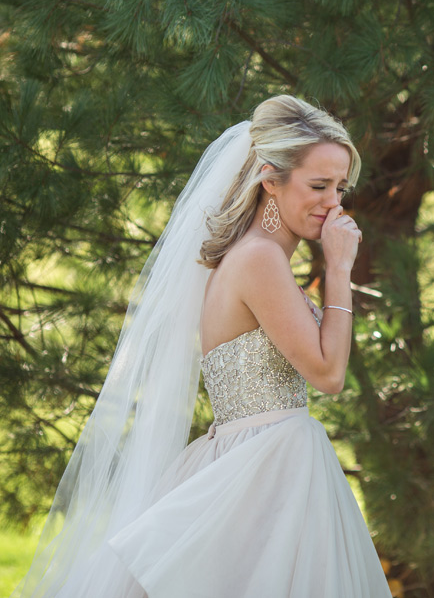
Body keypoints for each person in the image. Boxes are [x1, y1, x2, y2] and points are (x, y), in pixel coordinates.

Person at [14, 96, 392, 597]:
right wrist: (340, 269)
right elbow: (328, 374)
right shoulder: (259, 258)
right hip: (262, 468)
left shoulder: (253, 257)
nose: (333, 203)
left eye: (340, 187)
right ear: (269, 180)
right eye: (318, 186)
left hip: (256, 460)